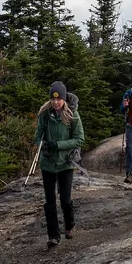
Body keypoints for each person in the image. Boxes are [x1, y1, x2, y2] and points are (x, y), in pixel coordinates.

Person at [35, 81, 85, 248]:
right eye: (53, 99)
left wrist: (58, 145)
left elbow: (79, 139)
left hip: (66, 163)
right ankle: (53, 235)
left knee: (65, 199)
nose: (56, 102)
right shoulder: (44, 114)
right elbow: (38, 135)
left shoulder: (72, 115)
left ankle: (70, 225)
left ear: (64, 99)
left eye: (59, 99)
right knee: (50, 201)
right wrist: (42, 145)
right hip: (48, 163)